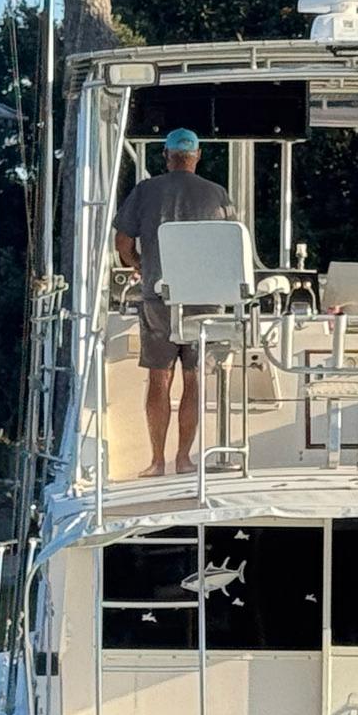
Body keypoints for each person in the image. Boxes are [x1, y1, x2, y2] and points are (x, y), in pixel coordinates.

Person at [113, 128, 237, 477]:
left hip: (160, 296)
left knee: (159, 379)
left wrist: (139, 263)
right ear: (196, 157)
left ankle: (157, 461)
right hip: (206, 300)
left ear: (167, 157)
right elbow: (229, 246)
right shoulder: (218, 194)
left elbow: (123, 242)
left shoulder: (146, 191)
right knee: (193, 379)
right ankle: (185, 459)